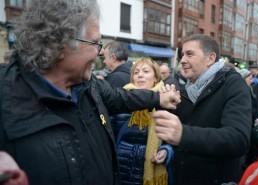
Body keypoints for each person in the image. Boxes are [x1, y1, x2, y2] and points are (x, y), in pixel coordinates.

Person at [0, 1, 180, 185]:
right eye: (95, 42)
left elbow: (120, 98)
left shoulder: (89, 84)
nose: (100, 52)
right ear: (62, 44)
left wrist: (158, 97)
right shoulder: (6, 97)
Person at [153, 34, 252, 184]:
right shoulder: (187, 90)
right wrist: (164, 106)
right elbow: (179, 132)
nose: (183, 60)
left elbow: (238, 139)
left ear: (210, 59)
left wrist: (183, 134)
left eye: (190, 54)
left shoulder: (233, 85)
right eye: (182, 55)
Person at [112, 57, 173, 185]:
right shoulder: (120, 101)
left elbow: (173, 141)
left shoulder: (166, 103)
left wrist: (166, 151)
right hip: (121, 174)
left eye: (145, 71)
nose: (140, 75)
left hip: (150, 174)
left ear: (156, 77)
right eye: (136, 72)